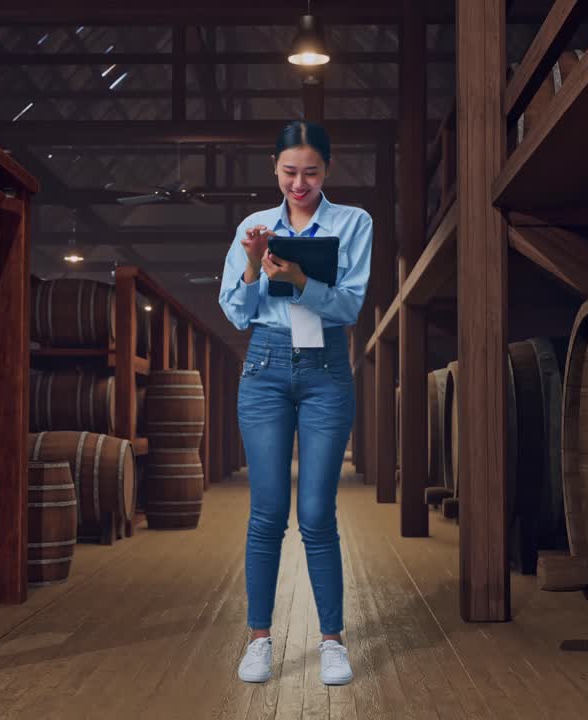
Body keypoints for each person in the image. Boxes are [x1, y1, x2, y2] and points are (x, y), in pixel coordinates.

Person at [217, 120, 372, 687]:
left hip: (327, 368)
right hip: (264, 365)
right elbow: (236, 311)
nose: (299, 183)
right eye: (289, 172)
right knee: (266, 513)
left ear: (326, 170)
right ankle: (259, 640)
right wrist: (256, 263)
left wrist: (304, 278)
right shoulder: (252, 226)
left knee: (315, 514)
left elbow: (350, 306)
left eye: (310, 172)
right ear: (274, 169)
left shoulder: (353, 222)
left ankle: (332, 641)